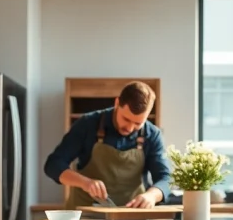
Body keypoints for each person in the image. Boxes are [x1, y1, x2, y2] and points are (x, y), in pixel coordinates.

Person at [44, 81, 172, 209]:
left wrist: (151, 196)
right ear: (117, 103)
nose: (130, 128)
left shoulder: (153, 135)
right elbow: (53, 164)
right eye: (126, 119)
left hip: (130, 215)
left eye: (138, 123)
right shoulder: (87, 124)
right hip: (84, 215)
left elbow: (165, 178)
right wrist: (85, 183)